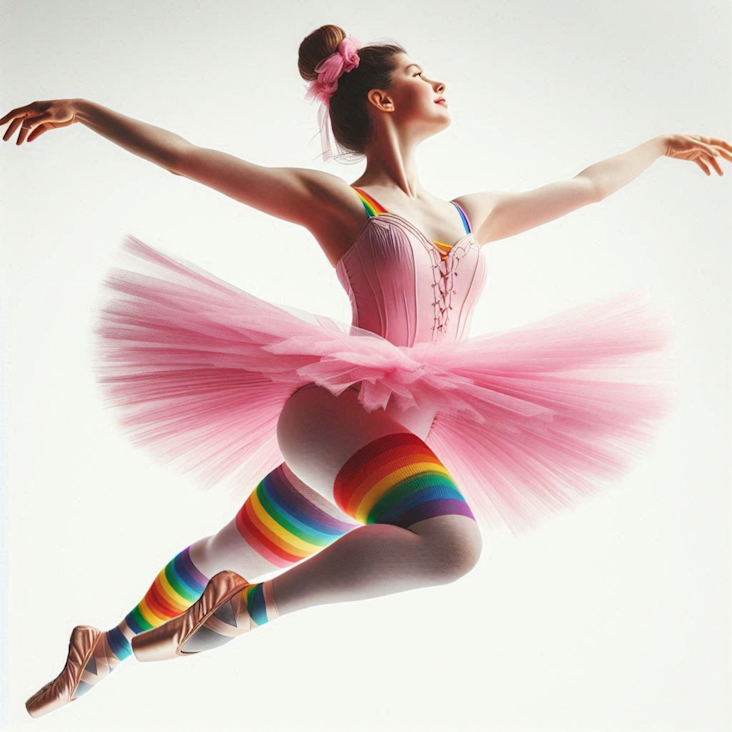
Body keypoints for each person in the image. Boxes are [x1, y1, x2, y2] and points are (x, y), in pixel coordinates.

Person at [2, 23, 729, 720]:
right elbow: (189, 158)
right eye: (418, 74)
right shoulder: (343, 202)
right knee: (452, 544)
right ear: (380, 99)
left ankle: (106, 649)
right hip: (338, 411)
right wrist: (87, 111)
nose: (438, 81)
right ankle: (241, 614)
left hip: (382, 442)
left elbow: (589, 185)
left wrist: (658, 145)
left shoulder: (474, 214)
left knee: (227, 549)